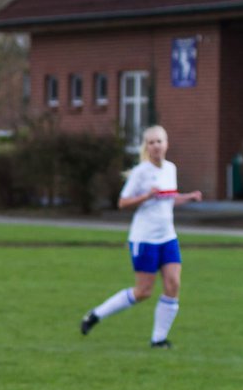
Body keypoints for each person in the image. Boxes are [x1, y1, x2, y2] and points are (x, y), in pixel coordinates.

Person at [80, 125, 202, 347]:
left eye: (159, 141)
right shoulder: (140, 172)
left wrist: (188, 197)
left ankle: (158, 339)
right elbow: (122, 203)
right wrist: (146, 196)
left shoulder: (170, 169)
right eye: (151, 142)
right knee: (144, 291)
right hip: (144, 238)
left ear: (167, 144)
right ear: (147, 147)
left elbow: (168, 198)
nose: (156, 146)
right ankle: (95, 315)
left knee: (173, 284)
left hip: (167, 237)